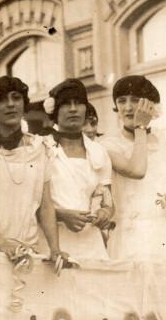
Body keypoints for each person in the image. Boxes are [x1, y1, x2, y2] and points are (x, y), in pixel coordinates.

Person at [0, 75, 65, 266]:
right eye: (2, 100)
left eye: (16, 98)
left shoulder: (40, 147)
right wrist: (2, 243)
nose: (11, 104)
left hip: (28, 252)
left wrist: (55, 249)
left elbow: (45, 205)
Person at [99, 75, 166, 264]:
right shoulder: (109, 144)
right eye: (121, 101)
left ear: (149, 105)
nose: (128, 107)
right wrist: (140, 127)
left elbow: (163, 191)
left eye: (135, 100)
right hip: (134, 236)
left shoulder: (162, 140)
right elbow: (137, 171)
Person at [43, 78, 114, 260]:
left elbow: (108, 202)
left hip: (92, 245)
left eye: (79, 103)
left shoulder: (98, 151)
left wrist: (104, 213)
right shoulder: (41, 148)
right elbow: (30, 203)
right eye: (66, 104)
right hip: (53, 243)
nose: (73, 109)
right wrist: (60, 215)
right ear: (55, 111)